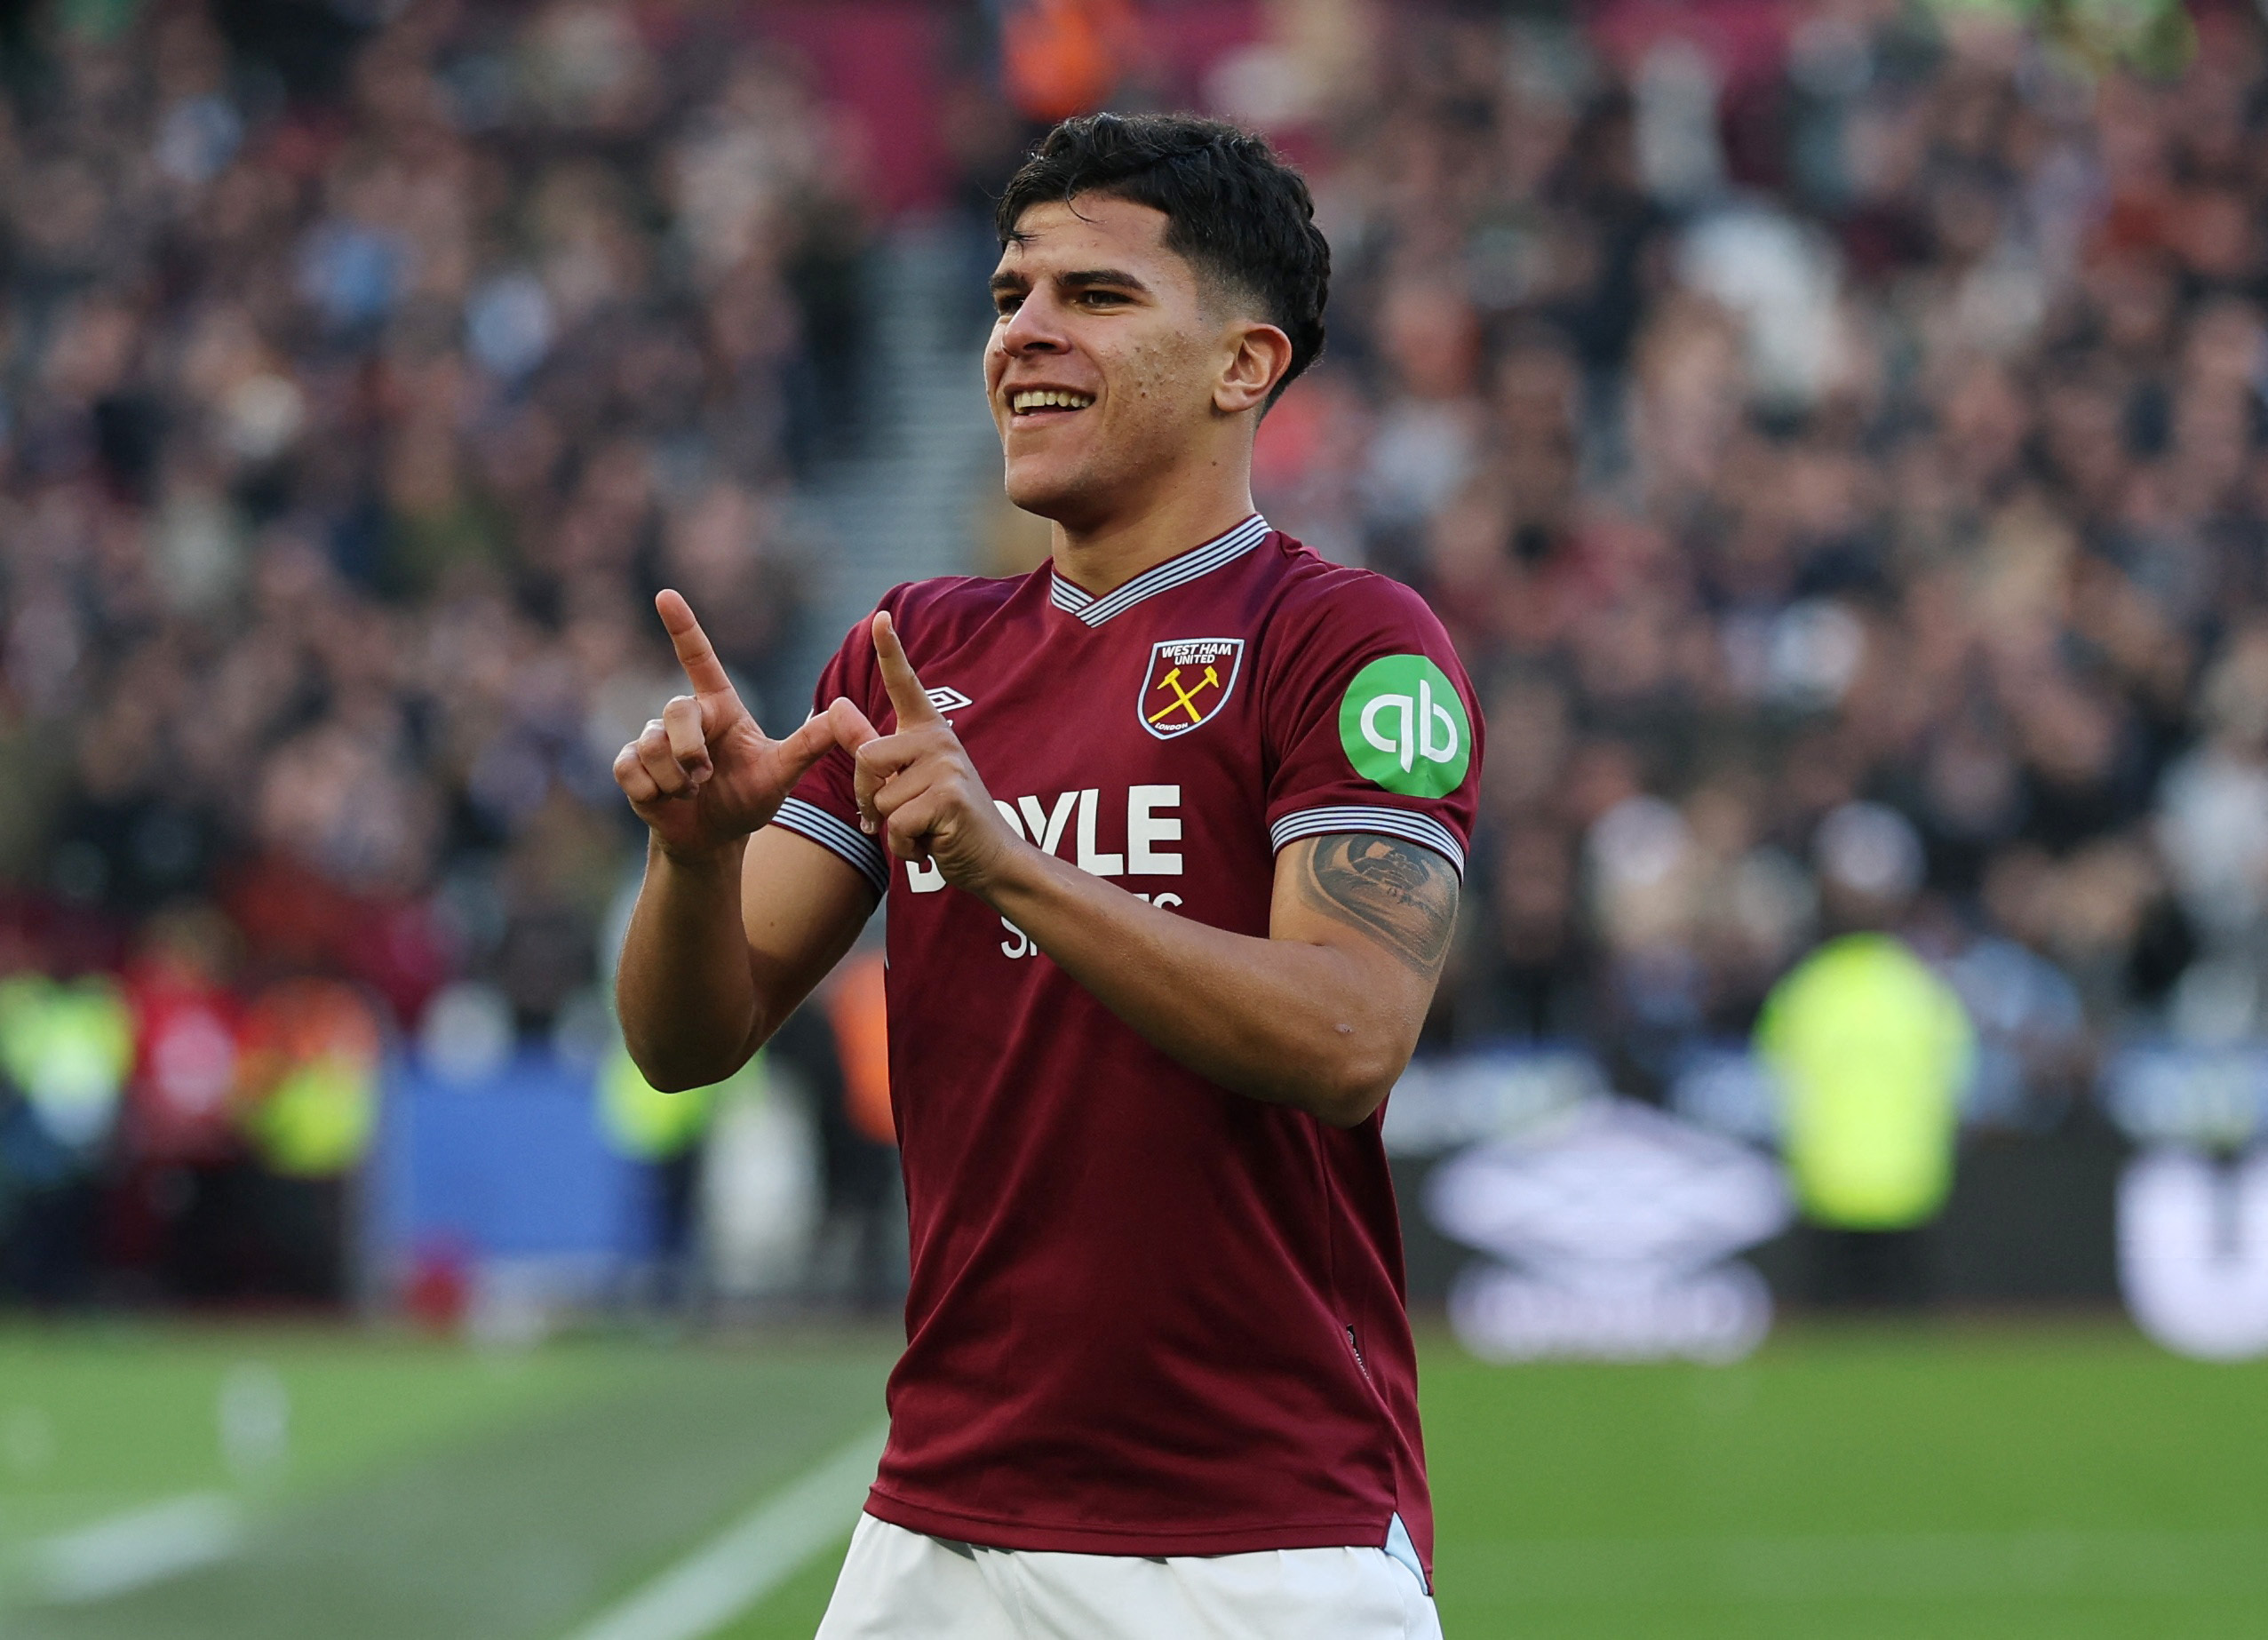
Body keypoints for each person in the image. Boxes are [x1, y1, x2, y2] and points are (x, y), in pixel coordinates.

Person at [612, 112, 1479, 1638]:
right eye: (1010, 293)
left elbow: (1349, 1039)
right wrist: (692, 862)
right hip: (935, 1527)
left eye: (1096, 296)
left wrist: (1007, 864)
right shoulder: (912, 650)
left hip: (1256, 1538)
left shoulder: (1347, 640)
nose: (1024, 333)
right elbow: (687, 1040)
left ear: (1243, 365)